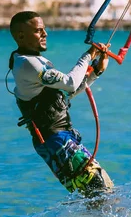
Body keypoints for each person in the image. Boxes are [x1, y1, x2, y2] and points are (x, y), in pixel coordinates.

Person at [7, 11, 114, 196]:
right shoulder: (28, 64)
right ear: (21, 36)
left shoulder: (31, 62)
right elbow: (70, 82)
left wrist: (96, 71)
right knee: (102, 189)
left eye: (44, 29)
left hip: (56, 141)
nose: (45, 34)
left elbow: (64, 94)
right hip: (56, 141)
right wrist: (88, 56)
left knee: (95, 195)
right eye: (38, 31)